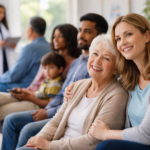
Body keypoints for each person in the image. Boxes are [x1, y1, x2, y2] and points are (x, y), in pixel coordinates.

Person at [1, 13, 108, 150]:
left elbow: (79, 101)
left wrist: (48, 112)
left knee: (24, 127)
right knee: (11, 120)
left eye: (87, 31)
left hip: (63, 114)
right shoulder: (76, 62)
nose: (80, 35)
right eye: (80, 30)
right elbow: (61, 93)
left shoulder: (95, 66)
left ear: (100, 35)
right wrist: (48, 109)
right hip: (54, 109)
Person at [17, 34, 128, 150]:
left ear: (116, 68)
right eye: (95, 54)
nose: (97, 61)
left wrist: (49, 145)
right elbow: (56, 121)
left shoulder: (117, 96)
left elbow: (94, 141)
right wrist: (37, 142)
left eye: (106, 58)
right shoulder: (79, 85)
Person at [87, 13, 150, 150]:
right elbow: (105, 77)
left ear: (147, 36)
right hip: (137, 144)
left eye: (128, 34)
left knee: (106, 145)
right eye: (118, 39)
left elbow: (146, 134)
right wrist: (76, 86)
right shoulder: (130, 79)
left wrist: (105, 133)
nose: (122, 43)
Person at [0, 23, 81, 121]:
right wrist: (26, 91)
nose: (55, 39)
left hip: (39, 102)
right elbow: (37, 81)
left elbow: (56, 98)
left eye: (60, 36)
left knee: (2, 110)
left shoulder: (74, 64)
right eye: (54, 36)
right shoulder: (50, 59)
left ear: (70, 38)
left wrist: (29, 97)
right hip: (32, 95)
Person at [0, 52, 66, 120]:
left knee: (1, 110)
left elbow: (50, 104)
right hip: (31, 100)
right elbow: (39, 94)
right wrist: (24, 91)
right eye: (45, 68)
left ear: (60, 69)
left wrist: (29, 98)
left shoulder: (55, 84)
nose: (47, 71)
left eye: (51, 68)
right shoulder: (48, 80)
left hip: (36, 106)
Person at [0, 16, 50, 92]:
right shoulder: (51, 46)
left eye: (26, 27)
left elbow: (14, 75)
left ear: (30, 30)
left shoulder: (29, 48)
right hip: (42, 86)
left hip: (25, 86)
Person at [0, 4, 16, 76]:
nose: (2, 15)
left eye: (3, 13)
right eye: (0, 12)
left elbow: (8, 41)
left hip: (6, 58)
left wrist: (12, 44)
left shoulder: (4, 26)